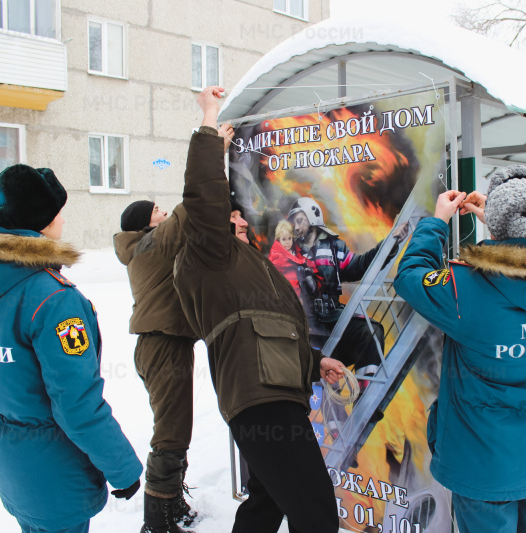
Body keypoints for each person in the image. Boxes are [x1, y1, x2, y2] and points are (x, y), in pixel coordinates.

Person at [173, 86, 345, 533]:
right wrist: (211, 123)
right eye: (233, 218)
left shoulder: (248, 264)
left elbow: (268, 328)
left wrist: (312, 361)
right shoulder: (211, 256)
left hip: (272, 391)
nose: (243, 220)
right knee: (317, 511)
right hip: (261, 399)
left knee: (267, 502)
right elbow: (204, 197)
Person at [394, 165, 526, 533]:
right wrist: (502, 227)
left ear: (501, 226)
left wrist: (437, 222)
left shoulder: (466, 289)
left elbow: (409, 277)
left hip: (485, 469)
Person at [0, 164, 143, 533]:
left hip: (9, 461)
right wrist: (123, 468)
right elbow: (76, 405)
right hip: (56, 469)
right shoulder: (53, 299)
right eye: (58, 212)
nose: (62, 220)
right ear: (39, 223)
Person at [114, 197, 204, 532]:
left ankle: (172, 504)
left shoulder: (149, 247)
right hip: (162, 345)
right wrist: (211, 155)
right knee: (170, 434)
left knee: (176, 427)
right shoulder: (152, 244)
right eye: (156, 211)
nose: (163, 212)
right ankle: (157, 520)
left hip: (162, 344)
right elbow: (188, 208)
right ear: (145, 223)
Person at [288, 197, 408, 379]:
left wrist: (389, 244)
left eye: (299, 220)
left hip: (334, 322)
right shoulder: (286, 251)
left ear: (312, 217)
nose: (295, 227)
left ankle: (363, 398)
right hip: (303, 329)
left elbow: (359, 266)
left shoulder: (335, 248)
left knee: (370, 332)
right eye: (293, 222)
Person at [267, 219, 321, 301]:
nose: (287, 242)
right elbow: (283, 264)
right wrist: (302, 262)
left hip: (298, 287)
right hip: (287, 290)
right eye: (284, 239)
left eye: (289, 238)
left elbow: (300, 259)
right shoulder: (277, 254)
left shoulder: (295, 250)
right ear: (278, 240)